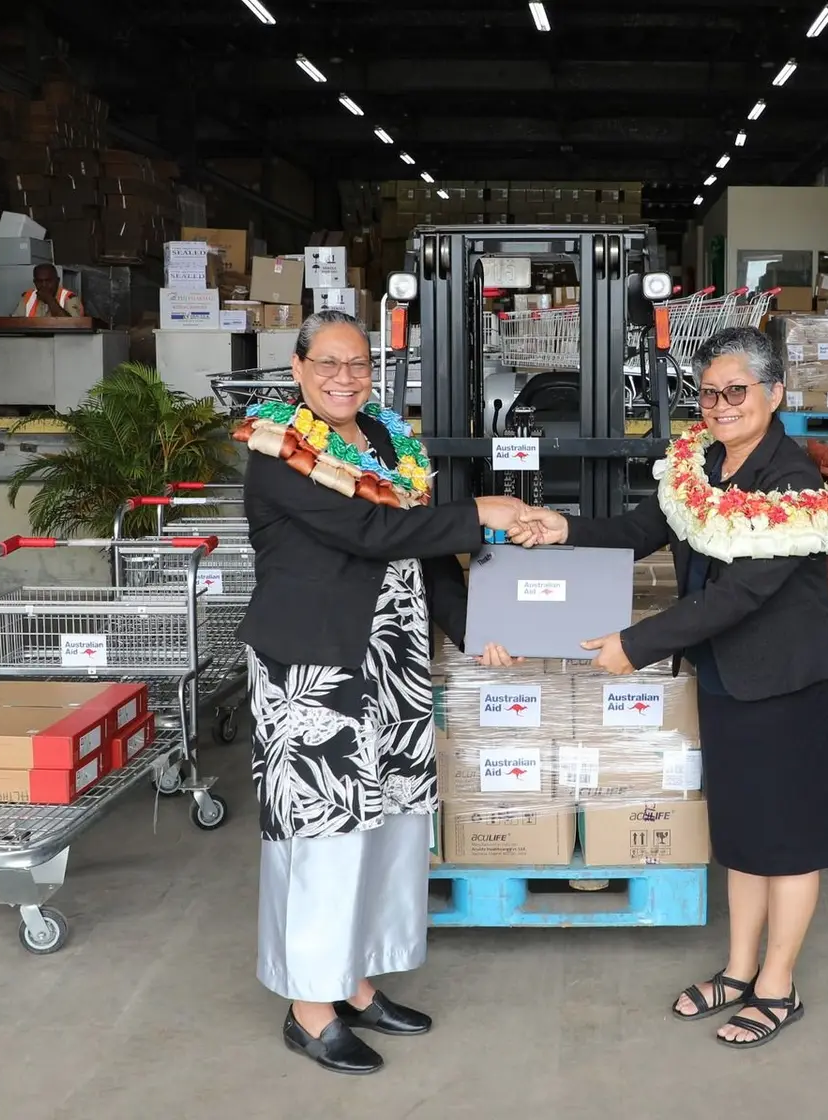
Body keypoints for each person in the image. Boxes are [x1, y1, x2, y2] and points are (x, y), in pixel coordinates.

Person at [509, 326, 828, 1050]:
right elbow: (644, 526)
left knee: (789, 842)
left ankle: (777, 985)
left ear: (773, 394)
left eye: (736, 391)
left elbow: (739, 596)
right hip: (729, 677)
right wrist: (560, 528)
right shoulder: (699, 463)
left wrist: (634, 646)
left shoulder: (791, 480)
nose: (720, 405)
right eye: (708, 393)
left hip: (789, 682)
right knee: (742, 835)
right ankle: (738, 972)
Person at [235, 309, 532, 1076]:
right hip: (315, 668)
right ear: (296, 370)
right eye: (327, 364)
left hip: (395, 665)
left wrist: (475, 628)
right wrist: (479, 516)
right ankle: (309, 1007)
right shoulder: (281, 452)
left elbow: (429, 560)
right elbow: (371, 535)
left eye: (358, 364)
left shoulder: (394, 443)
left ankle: (356, 983)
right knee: (324, 832)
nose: (344, 377)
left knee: (391, 823)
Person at [16, 264, 84, 318]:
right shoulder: (27, 297)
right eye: (40, 281)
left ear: (57, 281)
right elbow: (15, 324)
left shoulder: (69, 298)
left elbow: (73, 326)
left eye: (48, 281)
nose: (44, 285)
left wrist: (50, 300)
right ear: (35, 282)